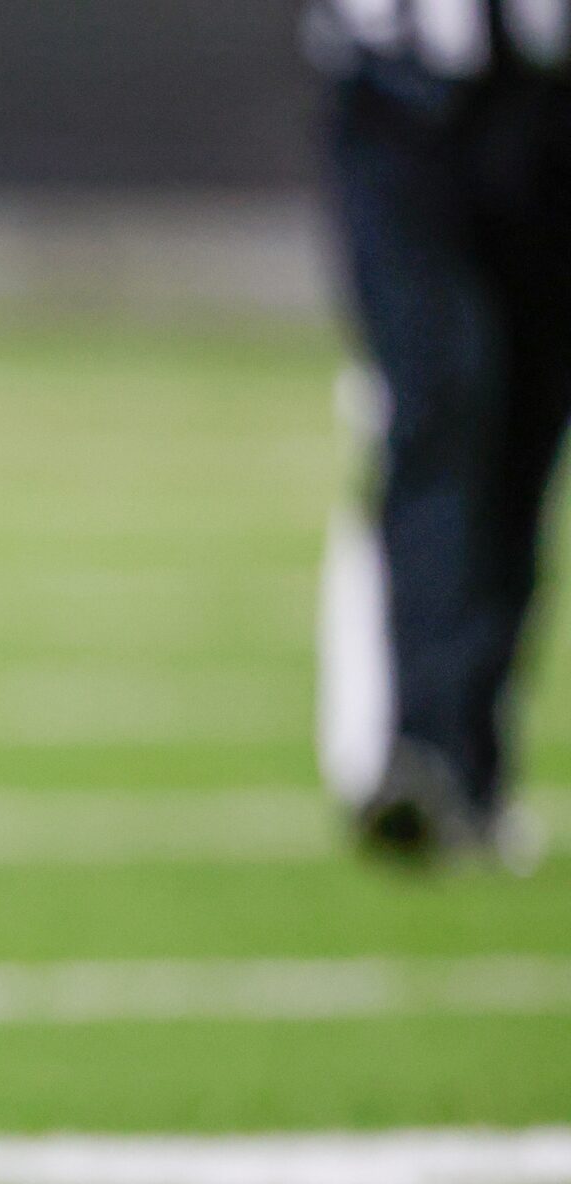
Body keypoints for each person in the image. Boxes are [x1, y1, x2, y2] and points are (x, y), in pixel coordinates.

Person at [311, 0, 570, 863]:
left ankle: (470, 755)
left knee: (524, 429)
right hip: (397, 101)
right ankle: (412, 746)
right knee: (437, 398)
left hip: (546, 108)